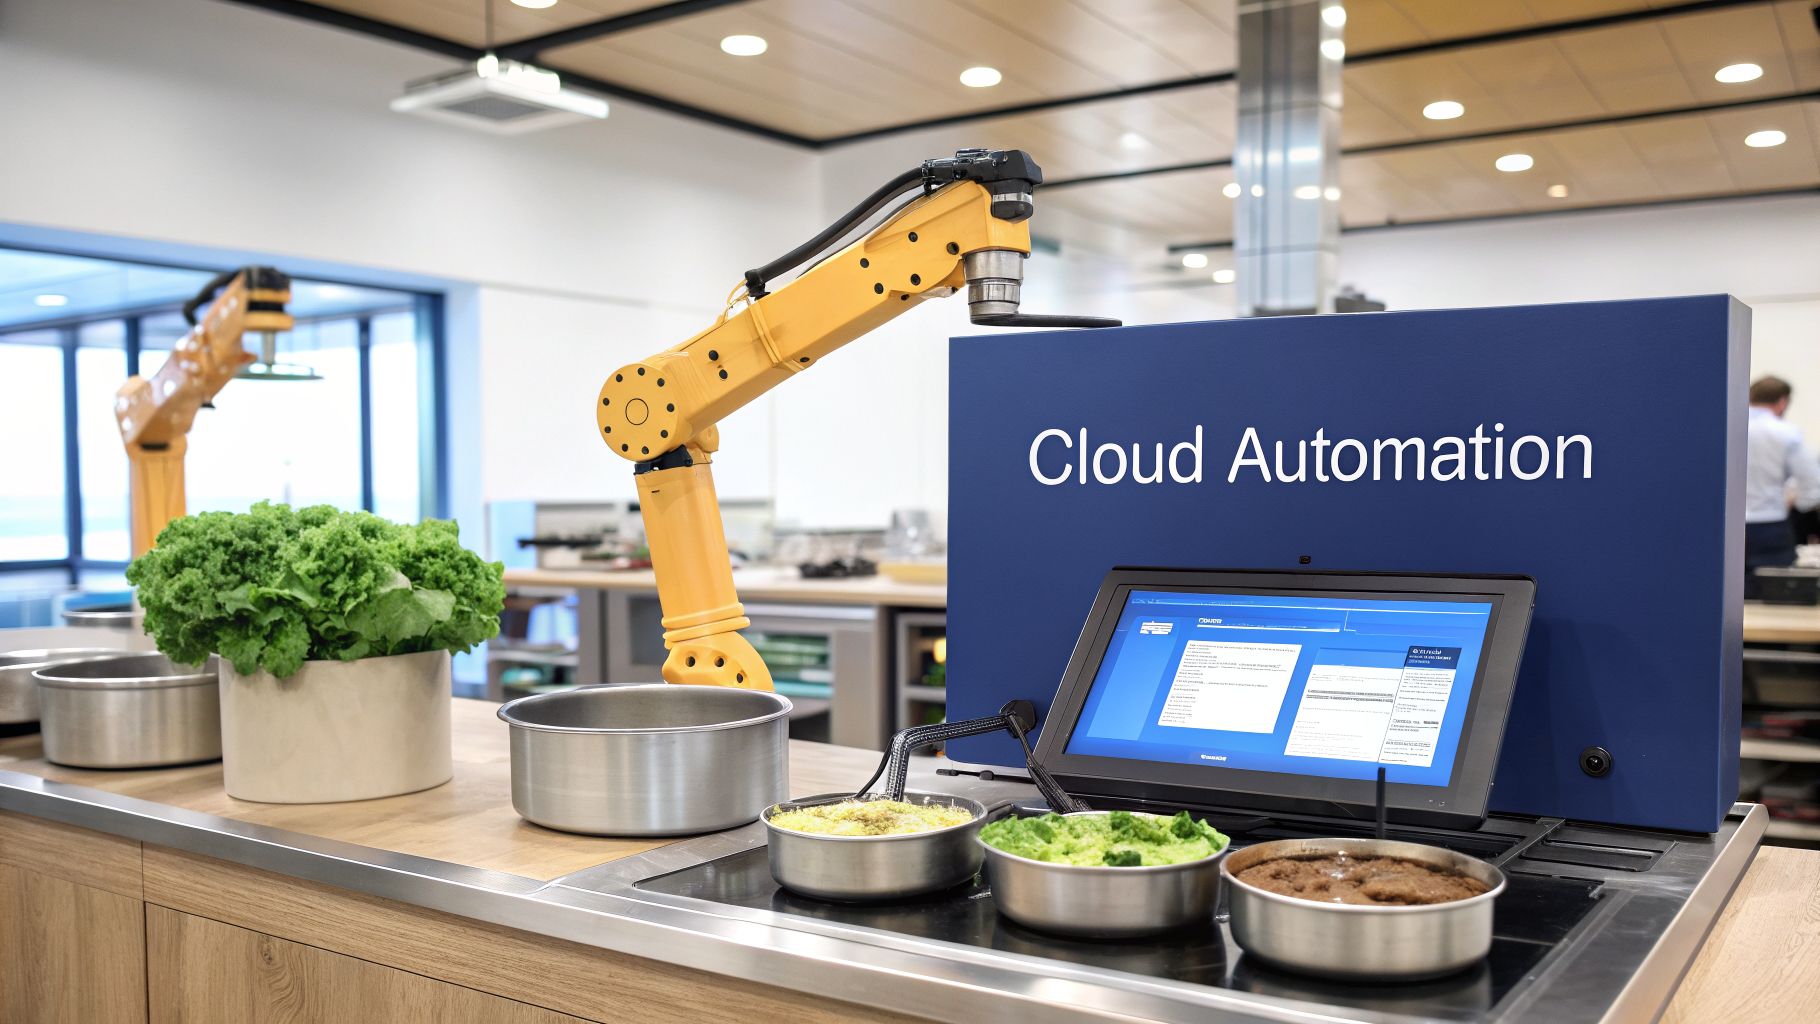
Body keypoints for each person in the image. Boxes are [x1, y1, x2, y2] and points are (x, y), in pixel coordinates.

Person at [1745, 376, 1820, 581]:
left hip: (1724, 527)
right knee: (1774, 595)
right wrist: (1797, 506)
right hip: (1770, 526)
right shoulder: (1787, 433)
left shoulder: (1725, 427)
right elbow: (1813, 486)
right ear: (1782, 402)